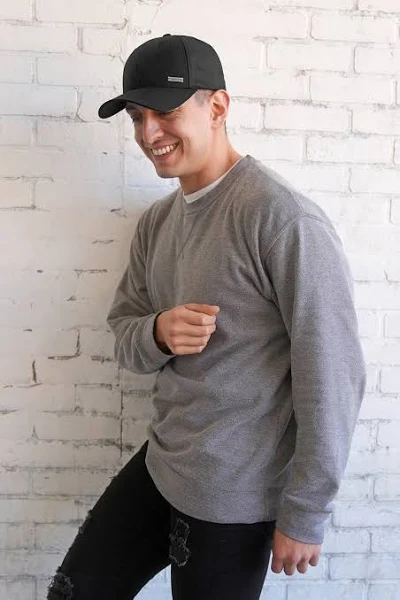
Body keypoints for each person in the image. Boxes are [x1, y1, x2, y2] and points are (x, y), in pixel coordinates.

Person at [47, 33, 367, 600]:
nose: (149, 134)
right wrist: (157, 332)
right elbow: (124, 333)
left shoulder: (283, 220)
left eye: (165, 112)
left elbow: (333, 374)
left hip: (235, 499)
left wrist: (305, 511)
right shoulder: (156, 223)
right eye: (137, 117)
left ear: (217, 107)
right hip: (162, 466)